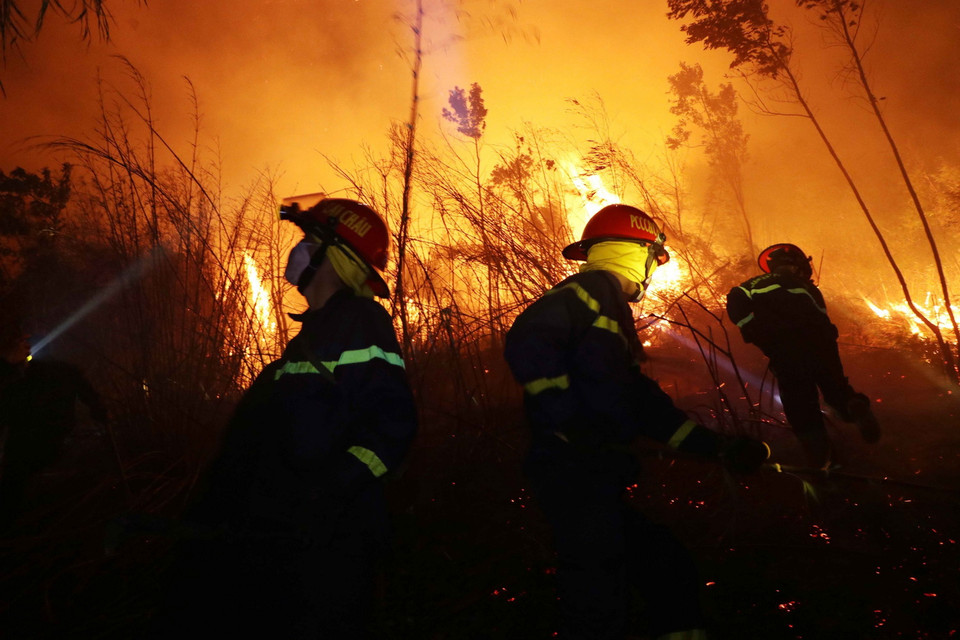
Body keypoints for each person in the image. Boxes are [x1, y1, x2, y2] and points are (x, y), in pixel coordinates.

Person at [150, 196, 418, 639]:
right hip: (288, 541)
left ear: (336, 256)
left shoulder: (360, 322)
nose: (300, 249)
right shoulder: (316, 332)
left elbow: (392, 424)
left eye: (310, 240)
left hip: (330, 549)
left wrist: (329, 490)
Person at [504, 204, 769, 640]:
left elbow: (636, 399)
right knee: (604, 597)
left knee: (664, 567)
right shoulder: (590, 289)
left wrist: (716, 447)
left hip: (590, 472)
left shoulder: (608, 306)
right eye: (652, 258)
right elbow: (528, 340)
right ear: (636, 251)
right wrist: (570, 423)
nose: (652, 271)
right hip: (572, 472)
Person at [726, 243, 880, 469]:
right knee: (836, 387)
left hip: (786, 348)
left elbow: (735, 300)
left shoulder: (752, 285)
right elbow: (822, 318)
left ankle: (822, 460)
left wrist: (753, 329)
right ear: (798, 266)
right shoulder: (809, 289)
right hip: (823, 345)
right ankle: (853, 405)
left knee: (801, 405)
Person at [0, 326, 108, 530]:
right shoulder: (65, 371)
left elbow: (7, 406)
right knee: (36, 486)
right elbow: (92, 399)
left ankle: (14, 526)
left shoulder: (20, 375)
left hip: (25, 441)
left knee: (15, 486)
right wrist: (101, 415)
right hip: (56, 437)